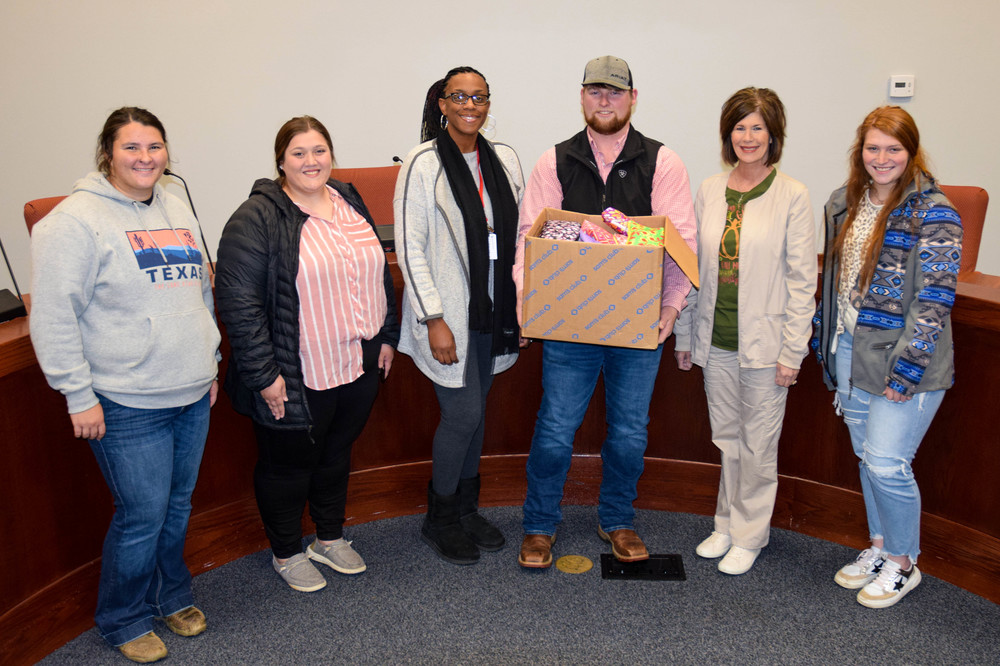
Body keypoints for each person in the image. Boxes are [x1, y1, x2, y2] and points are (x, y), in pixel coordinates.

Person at [29, 107, 220, 663]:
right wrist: (77, 394)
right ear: (107, 153)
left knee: (177, 506)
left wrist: (208, 359)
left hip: (190, 391)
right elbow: (54, 317)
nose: (145, 158)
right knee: (142, 516)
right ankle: (123, 618)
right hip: (126, 400)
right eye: (132, 147)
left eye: (154, 146)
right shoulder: (72, 222)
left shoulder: (176, 203)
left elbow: (200, 289)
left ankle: (170, 596)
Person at [513, 56, 698, 568]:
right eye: (596, 91)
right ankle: (539, 525)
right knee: (555, 428)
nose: (605, 100)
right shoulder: (554, 160)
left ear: (633, 98)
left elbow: (682, 241)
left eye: (615, 92)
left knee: (630, 432)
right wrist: (530, 304)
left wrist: (671, 306)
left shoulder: (663, 162)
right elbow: (530, 240)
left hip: (638, 326)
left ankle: (617, 518)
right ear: (582, 96)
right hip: (567, 326)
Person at [215, 116, 398, 593]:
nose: (311, 161)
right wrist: (264, 375)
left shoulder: (348, 199)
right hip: (296, 370)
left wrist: (387, 335)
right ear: (281, 161)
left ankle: (328, 537)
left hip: (358, 361)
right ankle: (287, 551)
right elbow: (238, 304)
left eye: (319, 151)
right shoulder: (256, 217)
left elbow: (376, 272)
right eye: (298, 153)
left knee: (336, 453)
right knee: (287, 466)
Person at [815, 106, 961, 608]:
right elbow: (835, 281)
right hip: (851, 350)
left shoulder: (935, 212)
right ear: (860, 151)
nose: (882, 158)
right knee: (867, 458)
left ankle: (903, 562)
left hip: (904, 362)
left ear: (911, 152)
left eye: (893, 149)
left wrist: (907, 369)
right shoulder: (846, 202)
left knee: (887, 463)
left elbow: (935, 300)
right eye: (872, 148)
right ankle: (879, 547)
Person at [673, 88, 816, 575]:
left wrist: (793, 351)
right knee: (727, 438)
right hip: (717, 340)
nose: (748, 137)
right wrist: (686, 335)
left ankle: (751, 534)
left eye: (758, 127)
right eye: (739, 127)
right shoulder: (710, 189)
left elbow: (802, 282)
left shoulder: (792, 194)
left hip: (767, 345)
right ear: (727, 134)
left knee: (758, 445)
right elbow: (692, 269)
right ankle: (726, 524)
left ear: (773, 135)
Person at [394, 66, 524, 565]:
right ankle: (440, 517)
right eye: (460, 96)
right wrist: (433, 318)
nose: (471, 105)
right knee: (463, 414)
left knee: (478, 412)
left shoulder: (504, 158)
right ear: (443, 104)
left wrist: (524, 309)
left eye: (480, 97)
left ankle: (467, 511)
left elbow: (522, 238)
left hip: (495, 311)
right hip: (448, 314)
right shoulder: (423, 162)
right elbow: (410, 246)